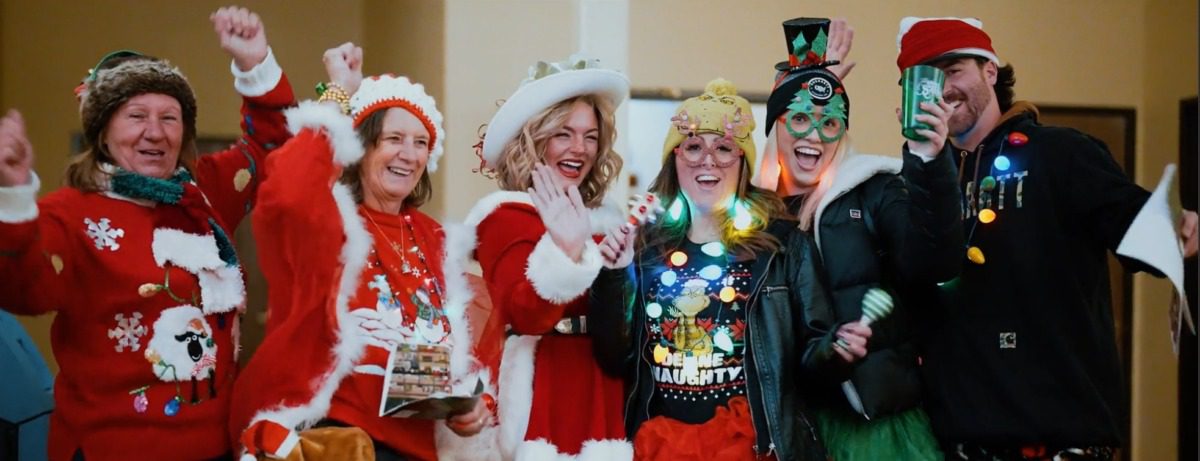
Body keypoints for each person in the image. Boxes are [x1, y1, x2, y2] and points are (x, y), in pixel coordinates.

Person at [894, 17, 1200, 460]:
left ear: (989, 72)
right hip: (955, 441)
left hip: (1060, 437)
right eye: (920, 78)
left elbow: (1131, 223)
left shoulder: (1061, 153)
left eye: (952, 68)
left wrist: (1173, 227)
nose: (939, 88)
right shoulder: (914, 181)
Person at [0, 6, 294, 459]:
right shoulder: (68, 212)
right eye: (136, 115)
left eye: (169, 117)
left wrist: (255, 64)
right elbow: (23, 289)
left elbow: (273, 146)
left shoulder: (208, 191)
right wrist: (15, 198)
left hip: (214, 449)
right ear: (103, 131)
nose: (154, 132)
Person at [229, 46, 493, 461]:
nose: (409, 154)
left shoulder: (434, 239)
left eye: (421, 142)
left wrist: (471, 405)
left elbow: (467, 340)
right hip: (338, 441)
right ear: (361, 147)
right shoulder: (330, 223)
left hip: (419, 448)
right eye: (394, 139)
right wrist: (338, 95)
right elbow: (288, 192)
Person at [589, 78, 872, 461]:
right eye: (692, 147)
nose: (708, 160)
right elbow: (614, 357)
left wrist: (835, 352)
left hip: (752, 445)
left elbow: (808, 367)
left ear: (743, 163)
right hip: (661, 445)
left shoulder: (783, 244)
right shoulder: (643, 247)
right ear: (675, 159)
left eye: (724, 148)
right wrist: (614, 274)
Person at [748, 18, 961, 460]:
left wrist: (927, 162)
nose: (813, 135)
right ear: (776, 126)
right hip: (782, 427)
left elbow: (933, 263)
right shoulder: (751, 215)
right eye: (800, 118)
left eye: (829, 123)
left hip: (872, 429)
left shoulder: (872, 187)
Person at [456, 56, 631, 459]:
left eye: (590, 136)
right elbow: (523, 314)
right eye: (563, 134)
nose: (579, 149)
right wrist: (565, 250)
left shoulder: (607, 219)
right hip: (547, 387)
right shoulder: (504, 215)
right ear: (535, 140)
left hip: (607, 385)